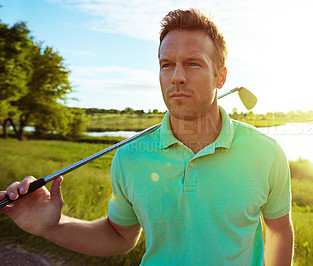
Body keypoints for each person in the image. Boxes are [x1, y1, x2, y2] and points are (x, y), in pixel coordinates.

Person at [0, 9, 294, 265]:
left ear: (221, 76)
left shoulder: (265, 152)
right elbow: (119, 236)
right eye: (167, 64)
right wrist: (51, 227)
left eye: (193, 63)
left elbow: (279, 229)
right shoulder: (130, 156)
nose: (177, 76)